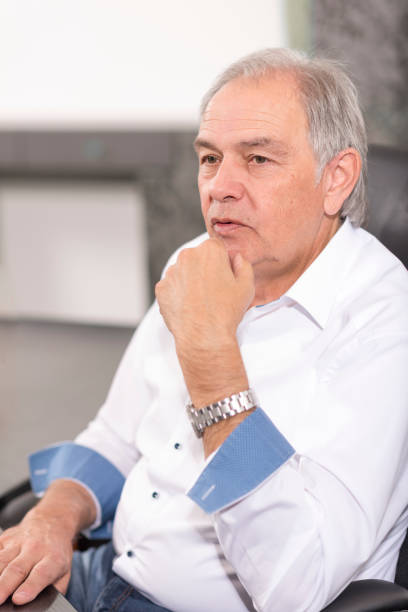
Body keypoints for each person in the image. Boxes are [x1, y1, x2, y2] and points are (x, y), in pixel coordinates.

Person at [0, 48, 407, 612]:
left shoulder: (384, 320)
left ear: (335, 178)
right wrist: (52, 517)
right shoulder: (196, 259)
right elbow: (117, 437)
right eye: (210, 158)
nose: (220, 187)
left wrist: (210, 355)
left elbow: (300, 586)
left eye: (258, 159)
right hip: (101, 572)